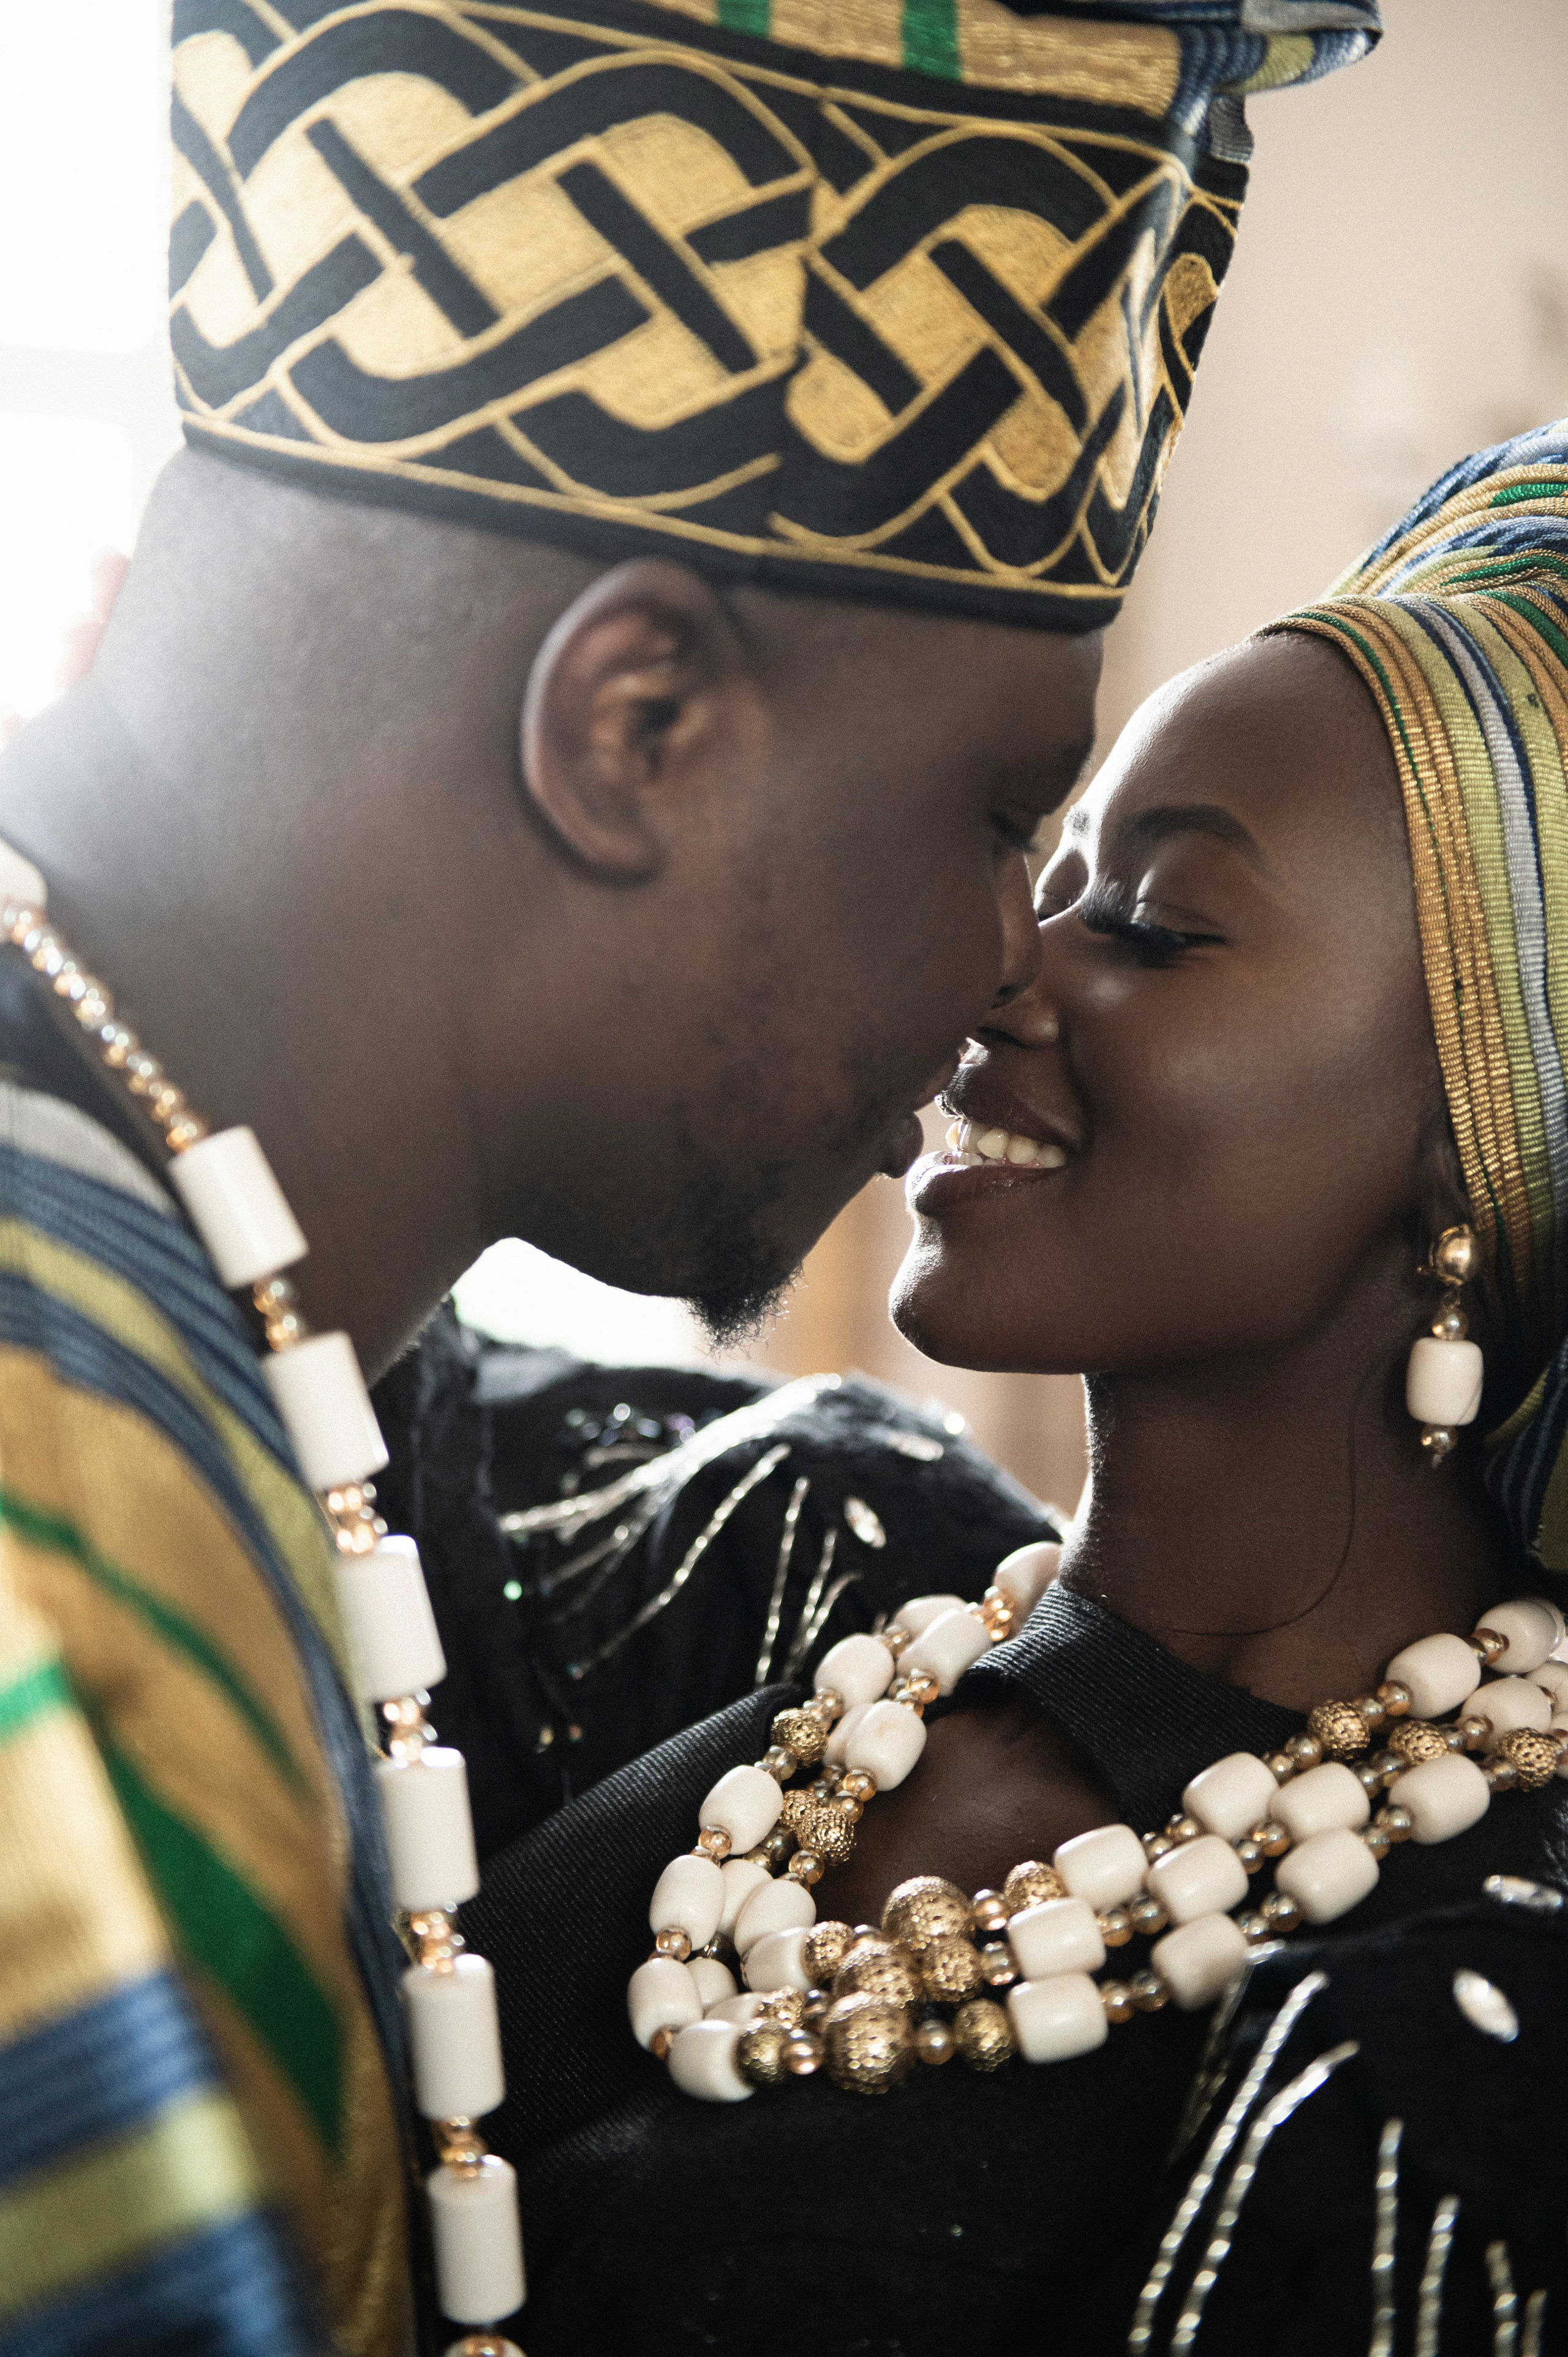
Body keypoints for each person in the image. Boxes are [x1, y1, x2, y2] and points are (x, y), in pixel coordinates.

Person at [0, 3, 1378, 2350]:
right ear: (633, 729)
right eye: (993, 821)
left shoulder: (199, 1331)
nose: (1001, 969)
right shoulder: (66, 1615)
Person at [460, 424, 1568, 2354]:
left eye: (1150, 920)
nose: (1001, 973)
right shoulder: (812, 1594)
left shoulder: (1474, 2019)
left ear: (1482, 1139)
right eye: (1039, 878)